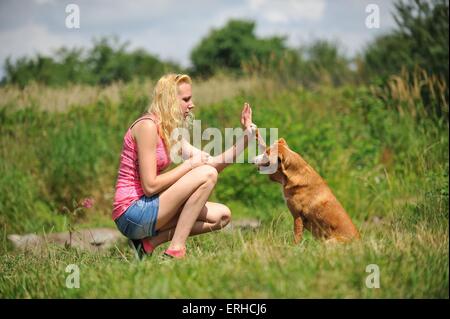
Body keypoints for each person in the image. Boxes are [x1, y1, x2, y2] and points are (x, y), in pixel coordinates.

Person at [112, 73, 255, 259]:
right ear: (170, 100)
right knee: (207, 174)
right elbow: (150, 187)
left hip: (150, 207)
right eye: (186, 99)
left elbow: (210, 163)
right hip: (132, 212)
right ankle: (176, 249)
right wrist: (188, 166)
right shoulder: (147, 127)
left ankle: (147, 245)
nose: (192, 104)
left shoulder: (170, 132)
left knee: (222, 216)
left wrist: (246, 138)